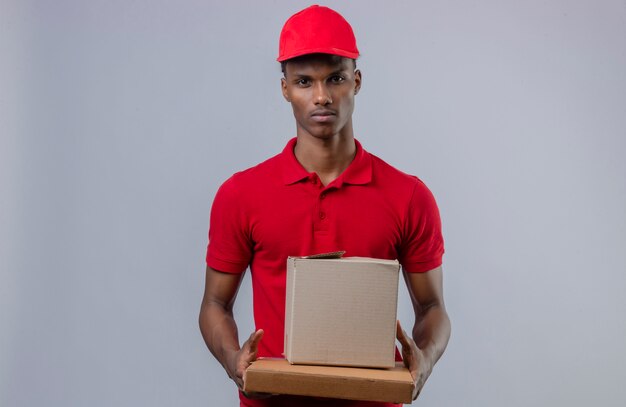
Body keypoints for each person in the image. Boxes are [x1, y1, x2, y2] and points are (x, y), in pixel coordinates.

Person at [199, 5, 451, 407]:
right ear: (285, 89)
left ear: (357, 81)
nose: (321, 96)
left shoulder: (408, 196)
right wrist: (234, 360)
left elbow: (433, 306)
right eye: (304, 81)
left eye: (335, 78)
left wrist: (426, 358)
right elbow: (214, 303)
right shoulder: (241, 194)